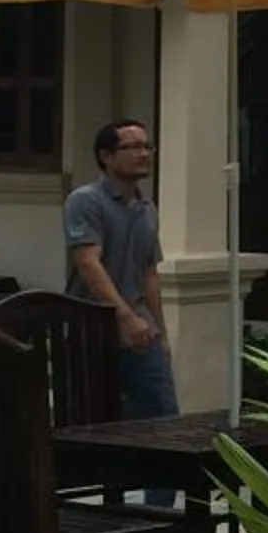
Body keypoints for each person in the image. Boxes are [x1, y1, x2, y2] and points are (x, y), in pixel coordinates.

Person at [65, 119, 178, 422]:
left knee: (163, 418)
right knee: (92, 423)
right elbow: (88, 262)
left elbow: (149, 273)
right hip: (93, 333)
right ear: (106, 156)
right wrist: (126, 318)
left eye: (147, 146)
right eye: (133, 147)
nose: (144, 154)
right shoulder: (85, 201)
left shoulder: (147, 208)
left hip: (142, 336)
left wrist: (161, 333)